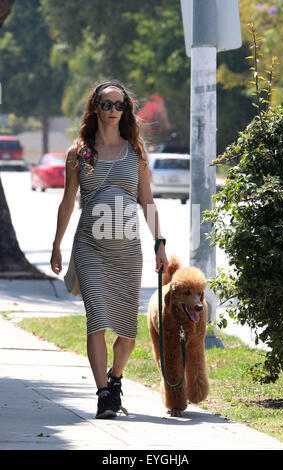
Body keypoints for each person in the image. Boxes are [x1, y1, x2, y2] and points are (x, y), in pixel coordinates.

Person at [50, 80, 168, 419]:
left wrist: (160, 243)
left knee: (127, 333)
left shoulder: (136, 151)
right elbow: (67, 203)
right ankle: (103, 394)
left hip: (128, 252)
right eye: (106, 104)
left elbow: (147, 202)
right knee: (97, 321)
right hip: (90, 248)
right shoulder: (79, 153)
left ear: (126, 111)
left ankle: (116, 378)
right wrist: (56, 245)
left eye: (120, 105)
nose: (113, 110)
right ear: (95, 108)